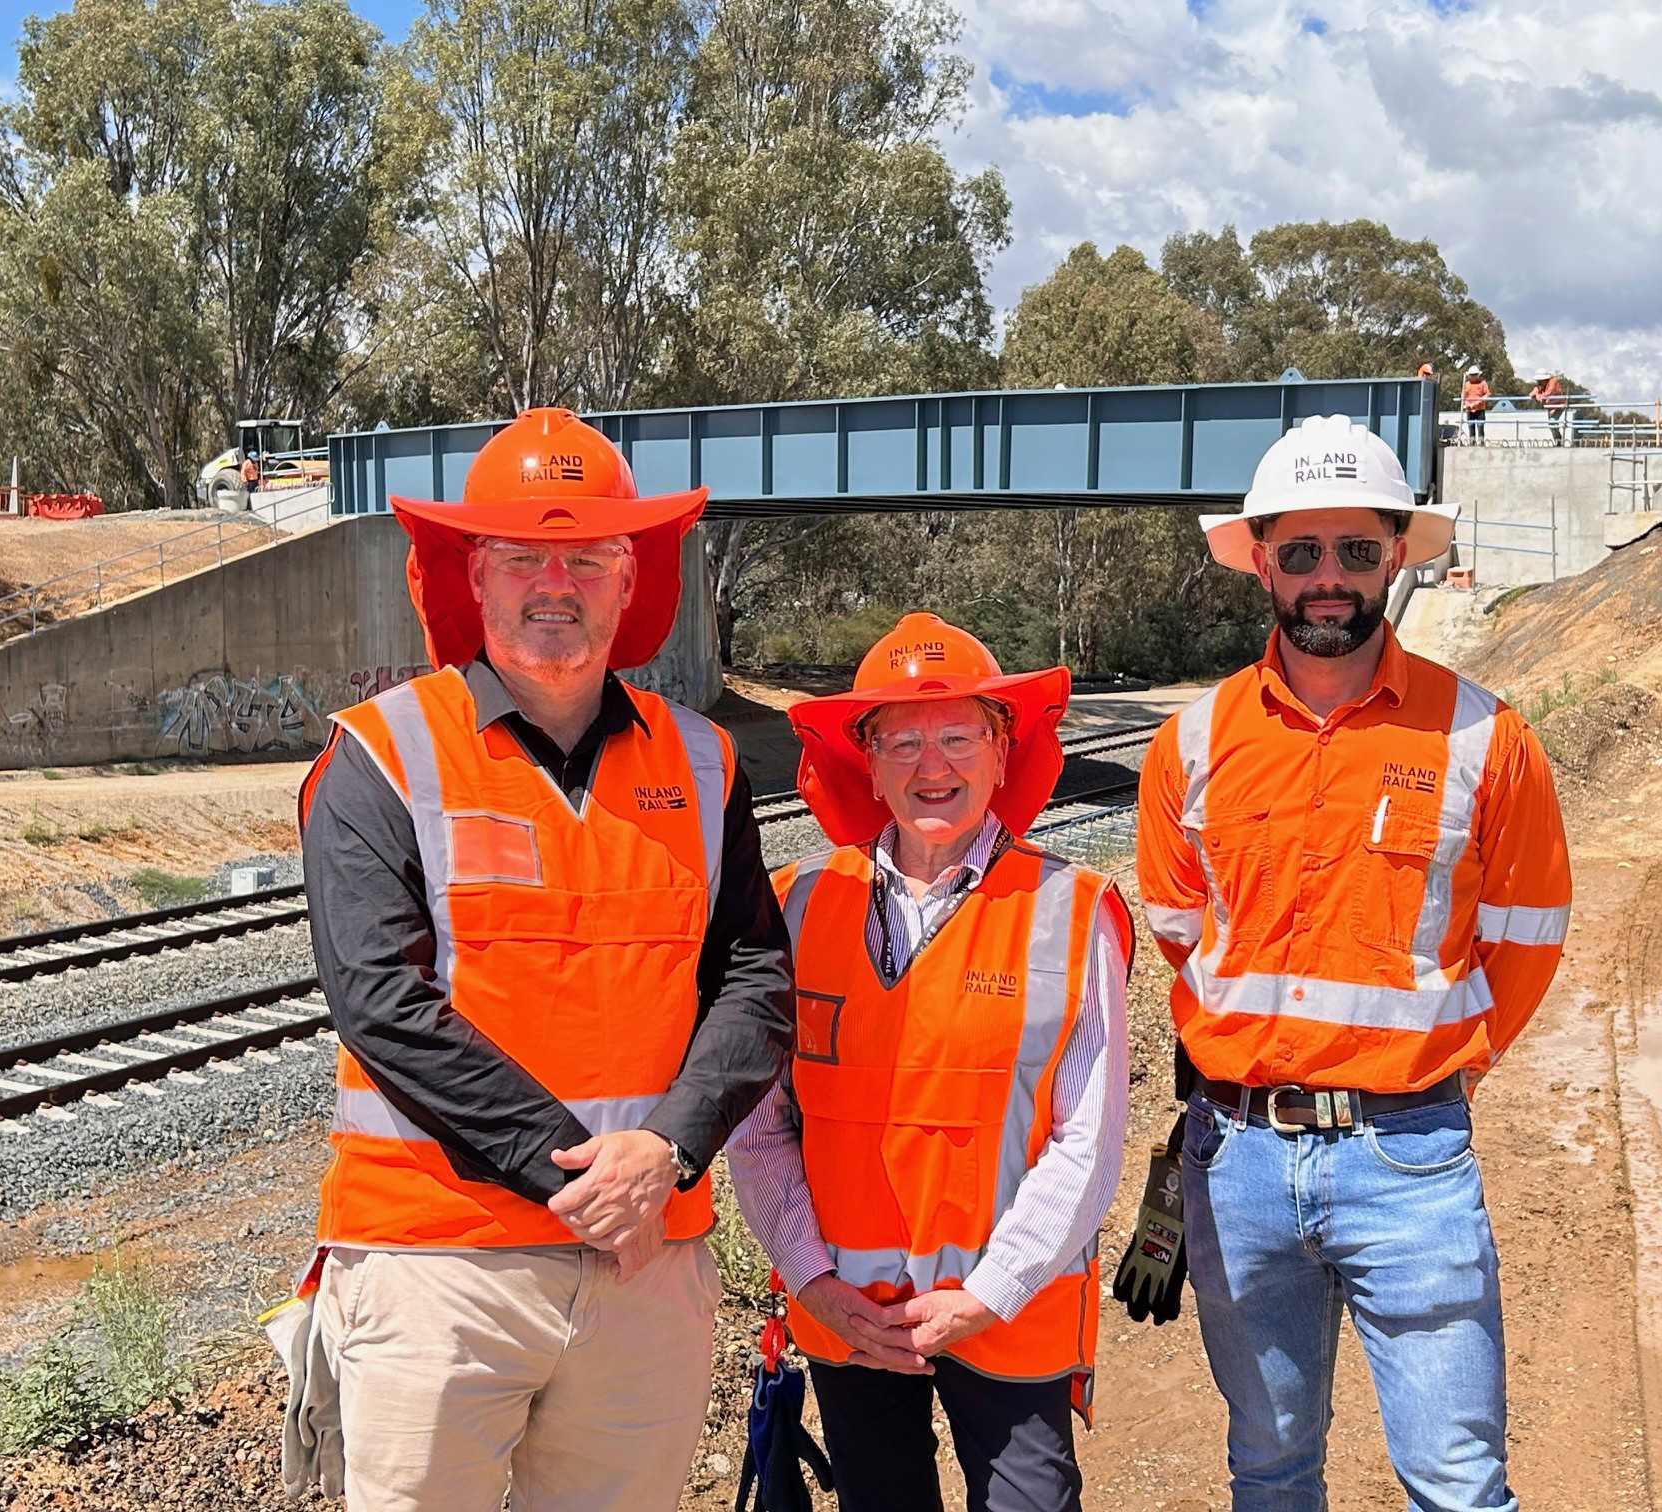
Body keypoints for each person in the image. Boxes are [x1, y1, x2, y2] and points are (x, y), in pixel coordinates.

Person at [297, 406, 794, 1511]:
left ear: (633, 578)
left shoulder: (707, 763)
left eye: (587, 557)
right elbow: (381, 1002)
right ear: (474, 578)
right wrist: (584, 1176)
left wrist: (662, 1152)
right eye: (522, 556)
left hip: (642, 1267)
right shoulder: (380, 755)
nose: (553, 583)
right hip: (439, 1265)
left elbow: (757, 980)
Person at [1136, 414, 1571, 1512]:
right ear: (1262, 565)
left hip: (1411, 1163)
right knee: (1271, 1472)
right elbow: (1179, 932)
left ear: (1395, 558)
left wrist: (1453, 1071)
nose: (1328, 580)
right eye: (1301, 553)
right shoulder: (1191, 743)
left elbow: (1526, 935)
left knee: (1459, 1484)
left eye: (1356, 552)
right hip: (1234, 1161)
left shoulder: (1484, 739)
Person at [728, 611, 1134, 1512]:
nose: (932, 766)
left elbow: (1089, 1146)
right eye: (902, 740)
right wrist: (811, 1277)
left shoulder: (1071, 912)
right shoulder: (794, 909)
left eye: (959, 735)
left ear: (1002, 750)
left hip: (1008, 1313)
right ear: (865, 762)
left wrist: (988, 1294)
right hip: (850, 1318)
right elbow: (758, 1128)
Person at [1528, 370, 1567, 445]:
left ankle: (1559, 442)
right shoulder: (1541, 386)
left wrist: (1540, 396)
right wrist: (1537, 393)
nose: (1539, 382)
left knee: (1552, 423)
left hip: (1558, 406)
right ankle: (1557, 442)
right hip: (1550, 407)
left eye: (1541, 380)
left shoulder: (1553, 382)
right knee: (1551, 425)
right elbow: (1531, 394)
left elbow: (1549, 392)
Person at [1462, 365, 1491, 445]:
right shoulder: (1467, 384)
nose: (1473, 377)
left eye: (1475, 375)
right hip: (1469, 410)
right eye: (1471, 375)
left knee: (1480, 425)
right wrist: (1467, 404)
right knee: (1471, 426)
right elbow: (1463, 396)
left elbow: (1487, 394)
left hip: (1480, 409)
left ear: (1478, 375)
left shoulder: (1483, 383)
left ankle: (1481, 442)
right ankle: (1472, 442)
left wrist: (1478, 402)